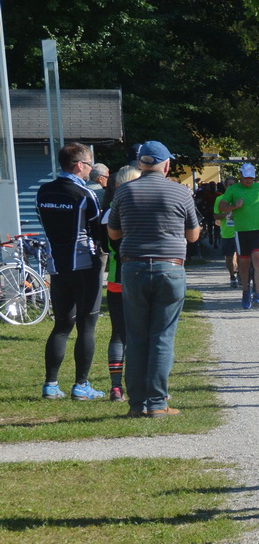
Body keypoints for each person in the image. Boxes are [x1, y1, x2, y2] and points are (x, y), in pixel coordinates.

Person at [106, 141, 201, 417]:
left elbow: (113, 233)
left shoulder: (123, 191)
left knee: (135, 337)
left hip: (132, 268)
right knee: (162, 337)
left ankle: (137, 404)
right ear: (167, 165)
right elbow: (193, 236)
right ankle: (158, 403)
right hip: (170, 268)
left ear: (139, 164)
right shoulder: (180, 193)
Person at [35, 142, 106, 401]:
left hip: (57, 266)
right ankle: (81, 386)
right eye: (89, 165)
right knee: (86, 326)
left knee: (62, 325)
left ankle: (50, 385)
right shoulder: (84, 194)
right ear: (79, 165)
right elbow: (98, 231)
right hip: (85, 266)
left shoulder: (43, 191)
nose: (90, 170)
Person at [101, 164, 143, 401]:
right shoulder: (142, 208)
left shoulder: (107, 212)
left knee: (119, 334)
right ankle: (145, 385)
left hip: (117, 278)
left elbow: (104, 246)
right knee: (143, 333)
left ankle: (116, 387)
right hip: (140, 277)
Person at [217, 164, 259, 308]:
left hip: (257, 230)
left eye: (251, 177)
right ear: (240, 175)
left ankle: (258, 295)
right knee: (244, 264)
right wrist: (235, 206)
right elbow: (222, 206)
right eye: (246, 177)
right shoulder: (233, 189)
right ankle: (246, 291)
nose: (249, 180)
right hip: (241, 231)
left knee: (258, 260)